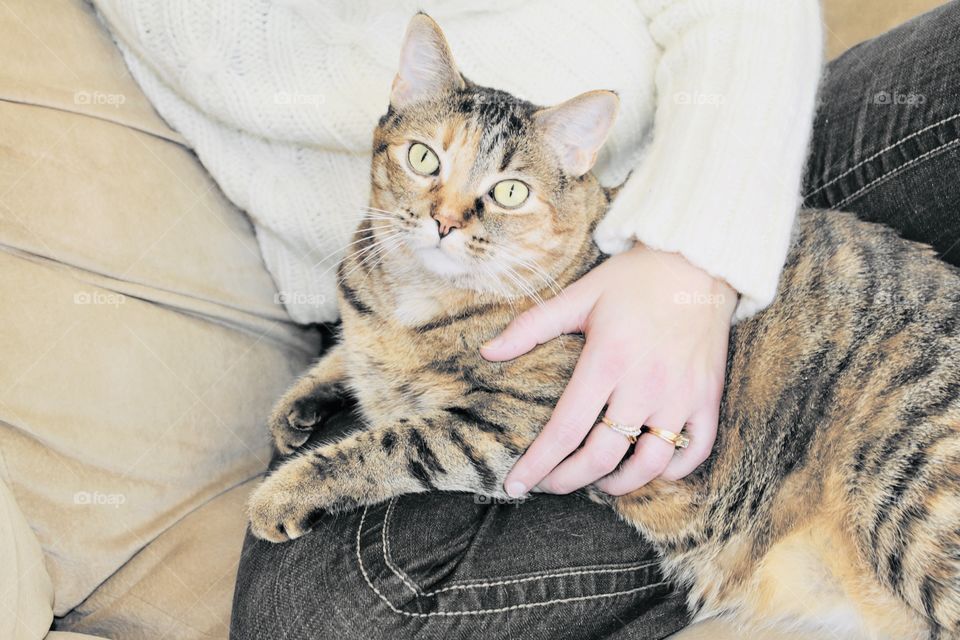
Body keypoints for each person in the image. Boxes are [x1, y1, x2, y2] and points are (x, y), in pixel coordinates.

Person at [230, 2, 960, 639]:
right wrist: (352, 366)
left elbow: (515, 428)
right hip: (745, 495)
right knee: (314, 614)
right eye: (425, 161)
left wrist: (690, 258)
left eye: (502, 193)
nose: (449, 217)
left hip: (826, 372)